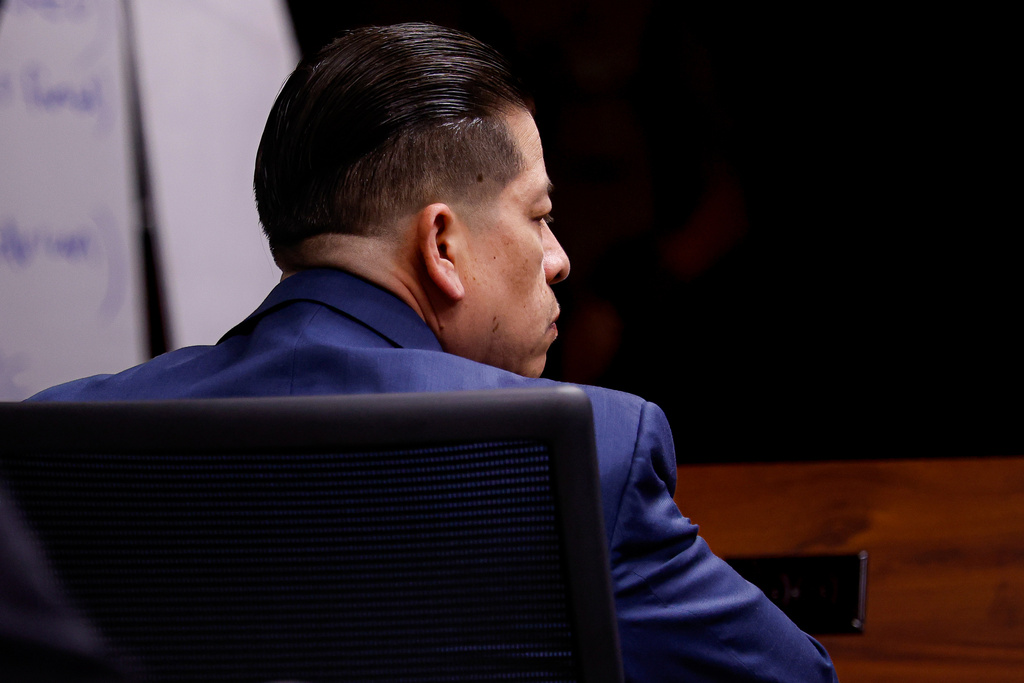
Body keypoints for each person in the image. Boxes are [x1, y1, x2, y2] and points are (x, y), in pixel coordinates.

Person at [31, 23, 837, 682]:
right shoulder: (583, 456)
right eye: (540, 215)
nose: (559, 258)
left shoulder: (47, 447)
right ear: (442, 244)